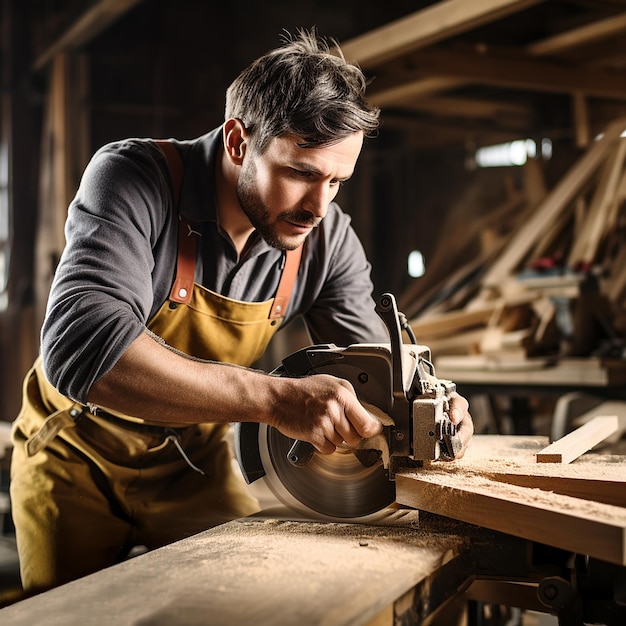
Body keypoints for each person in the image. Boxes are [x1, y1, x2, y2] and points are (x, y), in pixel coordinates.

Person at [10, 29, 473, 594]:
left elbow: (378, 369)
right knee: (67, 609)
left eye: (337, 182)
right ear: (237, 142)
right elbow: (81, 353)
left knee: (243, 596)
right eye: (301, 173)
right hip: (75, 454)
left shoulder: (326, 239)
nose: (317, 207)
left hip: (195, 463)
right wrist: (276, 399)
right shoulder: (134, 179)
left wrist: (430, 402)